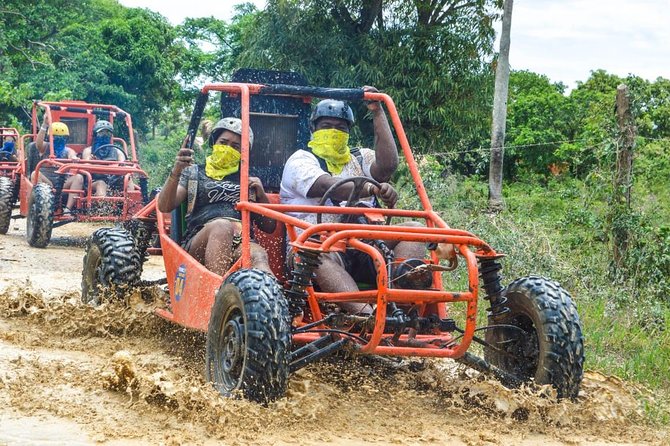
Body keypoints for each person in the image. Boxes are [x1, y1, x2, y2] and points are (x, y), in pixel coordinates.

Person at [280, 88, 455, 302]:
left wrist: (378, 111)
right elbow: (326, 185)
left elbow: (387, 166)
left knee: (416, 230)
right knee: (314, 257)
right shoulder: (300, 160)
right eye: (326, 127)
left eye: (340, 128)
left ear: (348, 132)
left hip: (366, 245)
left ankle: (401, 301)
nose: (333, 132)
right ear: (313, 128)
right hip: (319, 247)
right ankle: (367, 316)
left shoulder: (359, 157)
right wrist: (371, 188)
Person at [157, 117, 276, 276]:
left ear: (243, 152)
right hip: (200, 242)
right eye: (223, 142)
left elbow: (269, 227)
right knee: (222, 226)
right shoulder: (193, 173)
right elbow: (164, 206)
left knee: (258, 256)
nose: (228, 148)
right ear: (214, 143)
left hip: (240, 242)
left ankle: (272, 297)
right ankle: (216, 292)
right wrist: (176, 171)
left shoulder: (248, 180)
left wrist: (261, 195)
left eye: (235, 146)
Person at [35, 119, 83, 216]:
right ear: (50, 138)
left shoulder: (68, 150)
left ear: (66, 139)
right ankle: (42, 207)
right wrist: (44, 124)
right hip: (46, 182)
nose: (59, 140)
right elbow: (38, 144)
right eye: (56, 137)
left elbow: (72, 155)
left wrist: (73, 158)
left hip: (62, 184)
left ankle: (67, 210)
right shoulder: (45, 147)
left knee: (79, 177)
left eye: (62, 137)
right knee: (34, 174)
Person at [82, 120, 134, 196]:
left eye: (108, 133)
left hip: (113, 180)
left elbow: (123, 166)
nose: (105, 136)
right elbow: (86, 166)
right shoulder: (89, 151)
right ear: (95, 134)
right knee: (101, 184)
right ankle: (102, 207)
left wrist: (98, 165)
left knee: (128, 179)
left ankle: (131, 205)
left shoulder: (117, 151)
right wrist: (91, 162)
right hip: (94, 180)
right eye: (101, 133)